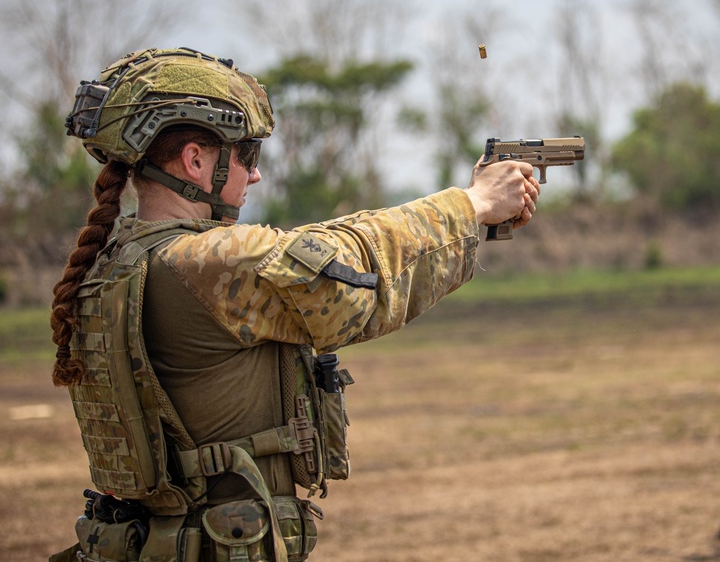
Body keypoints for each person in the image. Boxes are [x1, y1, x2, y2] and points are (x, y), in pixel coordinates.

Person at [48, 47, 540, 562]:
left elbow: (317, 244)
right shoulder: (200, 262)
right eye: (246, 157)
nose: (255, 175)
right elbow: (352, 267)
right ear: (195, 161)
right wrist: (474, 204)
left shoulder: (116, 260)